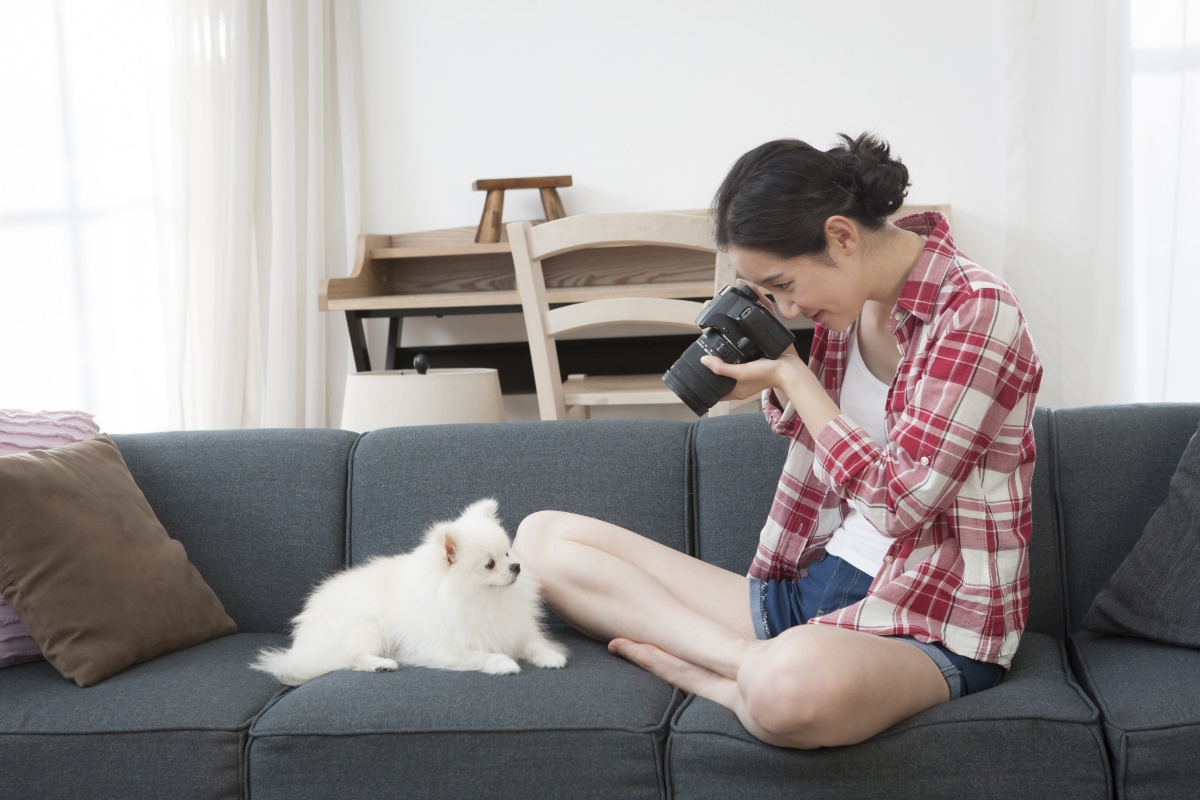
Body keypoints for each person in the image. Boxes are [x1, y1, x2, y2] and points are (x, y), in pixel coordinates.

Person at [512, 133, 1043, 749]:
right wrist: (784, 386)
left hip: (926, 620)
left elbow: (902, 502)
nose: (786, 306)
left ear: (841, 236)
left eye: (783, 283)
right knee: (542, 540)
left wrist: (795, 374)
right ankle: (742, 660)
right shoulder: (851, 304)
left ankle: (730, 675)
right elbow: (839, 450)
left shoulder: (976, 312)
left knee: (790, 689)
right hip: (815, 593)